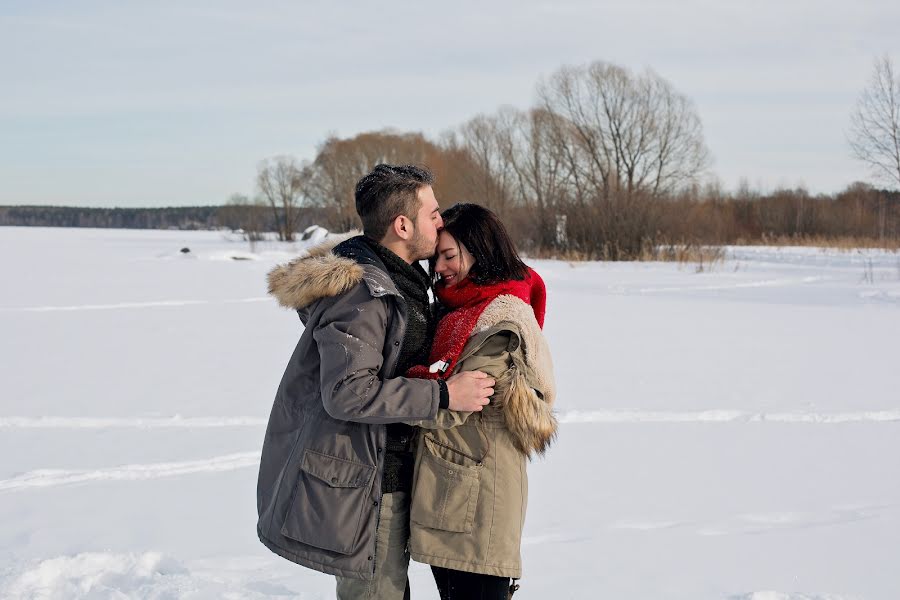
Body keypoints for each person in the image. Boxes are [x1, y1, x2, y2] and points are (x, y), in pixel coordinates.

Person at [256, 165, 496, 600]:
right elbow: (349, 393)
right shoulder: (364, 293)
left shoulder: (404, 282)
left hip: (393, 477)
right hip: (369, 488)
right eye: (434, 214)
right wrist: (444, 395)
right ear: (402, 225)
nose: (441, 223)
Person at [404, 203, 558, 599]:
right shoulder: (462, 309)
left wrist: (391, 390)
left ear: (481, 250)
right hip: (456, 499)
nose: (439, 266)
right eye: (436, 256)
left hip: (477, 507)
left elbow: (455, 404)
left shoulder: (498, 320)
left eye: (449, 255)